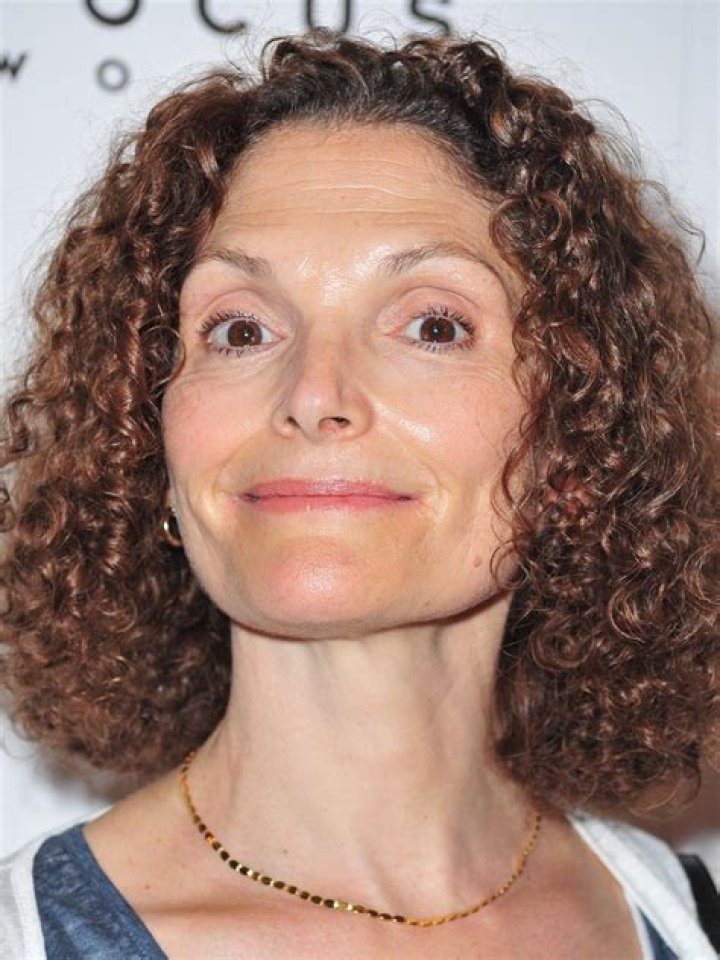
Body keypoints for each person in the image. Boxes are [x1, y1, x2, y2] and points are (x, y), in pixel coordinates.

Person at [0, 31, 718, 960]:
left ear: (579, 438)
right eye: (241, 330)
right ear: (149, 440)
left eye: (432, 326)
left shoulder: (680, 918)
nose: (312, 394)